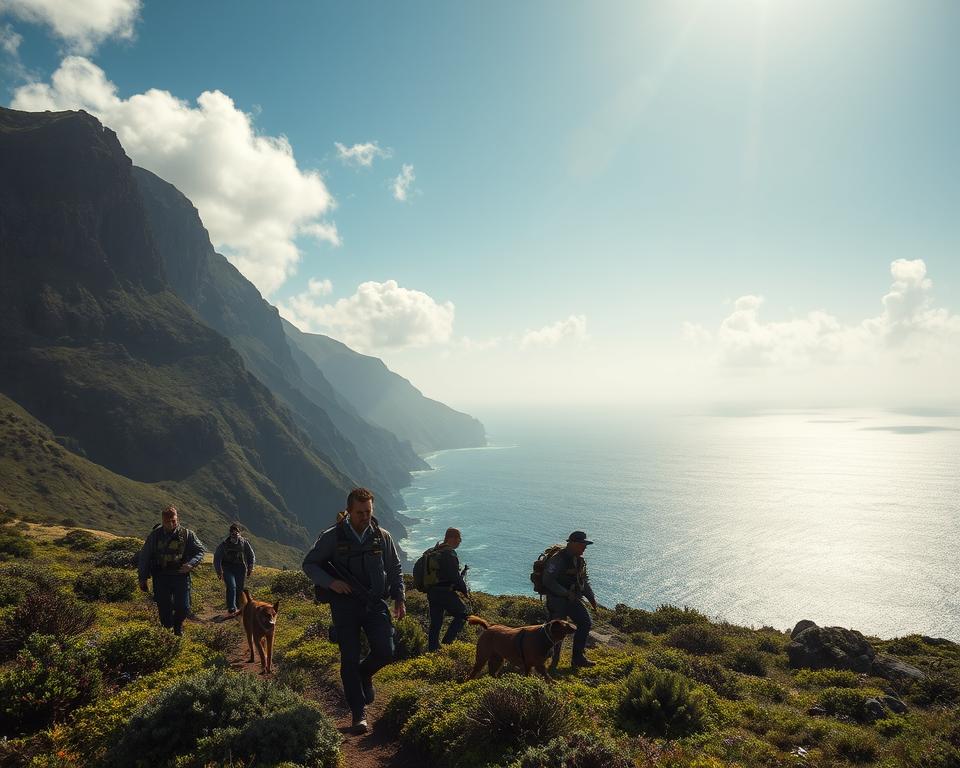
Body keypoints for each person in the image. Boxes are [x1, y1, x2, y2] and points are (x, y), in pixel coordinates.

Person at [302, 487, 405, 734]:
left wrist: (399, 597)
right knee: (348, 659)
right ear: (349, 511)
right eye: (359, 512)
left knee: (386, 651)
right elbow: (310, 564)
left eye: (368, 511)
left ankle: (364, 673)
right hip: (344, 606)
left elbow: (395, 567)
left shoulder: (382, 536)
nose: (364, 516)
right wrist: (331, 583)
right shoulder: (332, 537)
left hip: (374, 604)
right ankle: (358, 714)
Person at [138, 505, 205, 636]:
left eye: (173, 520)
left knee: (184, 607)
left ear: (177, 519)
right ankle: (168, 631)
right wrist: (142, 578)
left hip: (181, 575)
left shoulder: (187, 534)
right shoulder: (155, 536)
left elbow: (200, 551)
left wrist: (191, 564)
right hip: (161, 575)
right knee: (164, 607)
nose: (171, 524)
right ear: (163, 521)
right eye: (168, 521)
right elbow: (144, 556)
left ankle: (178, 625)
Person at [542, 530, 599, 668]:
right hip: (557, 600)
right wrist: (566, 593)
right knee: (556, 631)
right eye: (582, 544)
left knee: (585, 622)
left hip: (573, 600)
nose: (584, 547)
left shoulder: (579, 560)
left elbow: (583, 581)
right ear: (572, 543)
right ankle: (551, 661)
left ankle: (577, 658)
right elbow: (547, 580)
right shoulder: (557, 559)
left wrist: (591, 599)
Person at [425, 527, 469, 651]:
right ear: (451, 538)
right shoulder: (449, 553)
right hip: (444, 592)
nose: (459, 541)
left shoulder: (435, 550)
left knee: (436, 623)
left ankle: (433, 650)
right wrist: (464, 591)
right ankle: (446, 645)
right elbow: (454, 576)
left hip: (432, 591)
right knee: (463, 614)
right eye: (458, 538)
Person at [213, 522, 255, 617]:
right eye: (232, 533)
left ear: (239, 533)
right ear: (230, 533)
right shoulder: (224, 544)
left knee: (239, 589)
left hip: (240, 568)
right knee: (232, 587)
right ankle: (231, 608)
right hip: (227, 568)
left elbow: (250, 554)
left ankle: (238, 608)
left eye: (236, 533)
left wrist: (250, 567)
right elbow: (217, 558)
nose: (234, 535)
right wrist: (219, 571)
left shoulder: (244, 542)